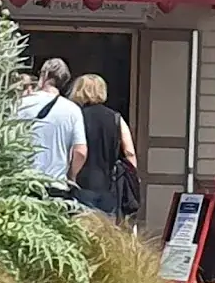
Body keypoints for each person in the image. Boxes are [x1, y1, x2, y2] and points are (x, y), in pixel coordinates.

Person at [68, 73, 138, 218]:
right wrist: (133, 177)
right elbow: (129, 152)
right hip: (108, 184)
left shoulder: (76, 116)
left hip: (81, 182)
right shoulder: (116, 118)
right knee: (105, 231)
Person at [16, 57, 87, 190]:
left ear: (45, 75)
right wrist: (71, 176)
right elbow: (80, 152)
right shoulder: (73, 110)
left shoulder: (21, 104)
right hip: (56, 184)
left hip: (24, 183)